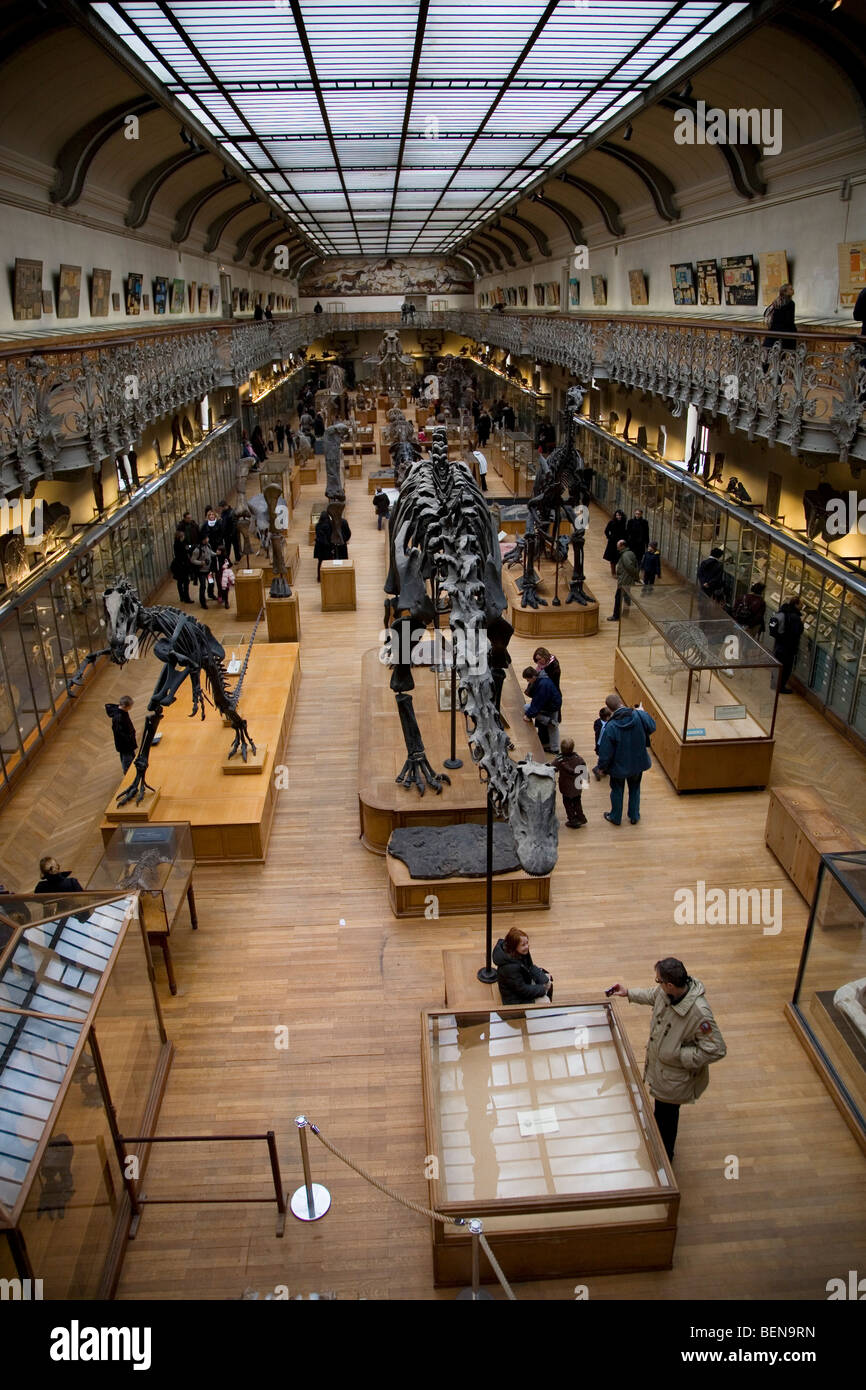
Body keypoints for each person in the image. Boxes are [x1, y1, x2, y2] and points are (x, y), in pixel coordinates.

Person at [608, 958, 726, 1161]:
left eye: (658, 980)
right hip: (662, 1071)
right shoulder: (666, 993)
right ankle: (657, 1145)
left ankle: (664, 1159)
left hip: (674, 1078)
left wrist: (679, 1054)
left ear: (670, 984)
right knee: (661, 1113)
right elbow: (653, 995)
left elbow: (716, 1049)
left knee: (667, 1120)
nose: (657, 984)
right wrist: (628, 992)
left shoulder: (699, 1012)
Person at [598, 691, 655, 826]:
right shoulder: (639, 715)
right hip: (637, 761)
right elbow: (652, 727)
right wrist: (643, 712)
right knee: (635, 788)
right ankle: (634, 816)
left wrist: (602, 767)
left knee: (617, 790)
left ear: (610, 709)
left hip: (619, 766)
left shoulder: (611, 726)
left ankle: (615, 817)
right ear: (621, 702)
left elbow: (605, 752)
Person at [492, 928, 553, 1006]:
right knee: (545, 1001)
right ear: (514, 946)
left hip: (523, 981)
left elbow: (530, 966)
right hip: (515, 999)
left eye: (527, 943)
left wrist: (544, 980)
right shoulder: (509, 968)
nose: (527, 946)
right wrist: (542, 989)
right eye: (523, 945)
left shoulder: (521, 951)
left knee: (548, 982)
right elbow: (522, 990)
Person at [523, 664, 562, 754]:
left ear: (533, 677)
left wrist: (528, 715)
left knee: (553, 727)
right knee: (553, 727)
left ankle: (548, 721)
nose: (528, 681)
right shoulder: (542, 679)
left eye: (528, 679)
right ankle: (555, 748)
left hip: (551, 706)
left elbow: (537, 703)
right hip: (553, 704)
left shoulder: (542, 685)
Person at [770, 594, 804, 693]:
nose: (802, 606)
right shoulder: (795, 617)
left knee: (778, 665)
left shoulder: (783, 611)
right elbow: (798, 631)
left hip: (779, 644)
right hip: (788, 646)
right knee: (786, 668)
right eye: (801, 604)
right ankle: (781, 688)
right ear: (796, 605)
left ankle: (774, 684)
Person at [553, 737, 587, 828]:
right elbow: (584, 773)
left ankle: (572, 820)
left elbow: (553, 768)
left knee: (567, 803)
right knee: (577, 802)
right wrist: (584, 784)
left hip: (566, 787)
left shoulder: (559, 761)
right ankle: (581, 817)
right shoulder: (579, 759)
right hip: (577, 786)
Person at [104, 695, 137, 773]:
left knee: (131, 759)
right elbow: (119, 733)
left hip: (128, 743)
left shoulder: (123, 712)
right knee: (127, 763)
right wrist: (129, 738)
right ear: (125, 706)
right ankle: (129, 777)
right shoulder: (118, 717)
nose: (131, 708)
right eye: (130, 706)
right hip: (125, 745)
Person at [609, 539, 639, 621]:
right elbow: (636, 566)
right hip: (628, 581)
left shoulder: (625, 555)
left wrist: (635, 576)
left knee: (618, 598)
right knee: (626, 598)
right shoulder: (631, 553)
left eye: (618, 546)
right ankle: (625, 614)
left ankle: (616, 616)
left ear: (622, 546)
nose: (617, 548)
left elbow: (630, 567)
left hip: (624, 581)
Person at [763, 282, 796, 354]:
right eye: (790, 289)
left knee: (767, 353)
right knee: (783, 354)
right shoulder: (790, 303)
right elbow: (790, 319)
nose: (793, 290)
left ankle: (764, 365)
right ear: (785, 291)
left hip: (773, 331)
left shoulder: (776, 301)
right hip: (785, 332)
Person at [190, 535, 215, 608]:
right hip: (201, 572)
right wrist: (201, 563)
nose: (208, 539)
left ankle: (210, 594)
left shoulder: (208, 545)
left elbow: (210, 553)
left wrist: (216, 554)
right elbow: (192, 560)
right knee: (203, 586)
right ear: (203, 540)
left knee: (211, 583)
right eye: (206, 538)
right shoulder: (197, 550)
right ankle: (203, 602)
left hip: (208, 570)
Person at [603, 509, 627, 576]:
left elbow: (625, 532)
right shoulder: (611, 522)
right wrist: (610, 538)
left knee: (619, 557)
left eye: (619, 515)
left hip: (621, 542)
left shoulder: (623, 523)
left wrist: (624, 540)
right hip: (613, 542)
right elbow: (606, 531)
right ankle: (613, 572)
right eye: (617, 515)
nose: (618, 517)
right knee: (613, 557)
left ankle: (619, 571)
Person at [171, 528, 193, 603]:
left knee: (180, 582)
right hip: (182, 566)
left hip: (178, 565)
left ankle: (182, 596)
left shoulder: (177, 544)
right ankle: (186, 598)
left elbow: (187, 547)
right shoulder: (180, 545)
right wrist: (190, 547)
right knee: (186, 581)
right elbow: (186, 549)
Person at [591, 706, 610, 780]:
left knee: (604, 758)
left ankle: (604, 770)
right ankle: (598, 769)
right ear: (607, 717)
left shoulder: (598, 722)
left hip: (601, 744)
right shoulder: (605, 725)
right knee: (604, 758)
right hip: (602, 745)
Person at [214, 545, 235, 610]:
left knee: (225, 588)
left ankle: (226, 601)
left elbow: (230, 564)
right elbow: (213, 565)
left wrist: (226, 566)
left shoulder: (225, 557)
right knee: (219, 586)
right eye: (217, 550)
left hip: (224, 575)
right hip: (218, 574)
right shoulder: (215, 557)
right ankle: (221, 596)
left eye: (219, 550)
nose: (217, 551)